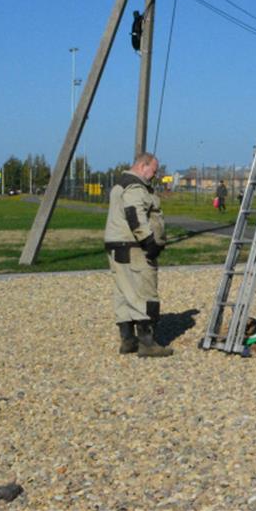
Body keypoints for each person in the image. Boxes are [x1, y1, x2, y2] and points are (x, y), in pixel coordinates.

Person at [104, 152, 172, 358]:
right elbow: (135, 215)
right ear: (143, 166)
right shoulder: (135, 187)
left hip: (116, 245)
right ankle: (147, 343)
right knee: (145, 291)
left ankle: (127, 339)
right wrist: (149, 242)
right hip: (134, 247)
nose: (155, 175)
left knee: (123, 291)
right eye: (153, 170)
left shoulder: (119, 185)